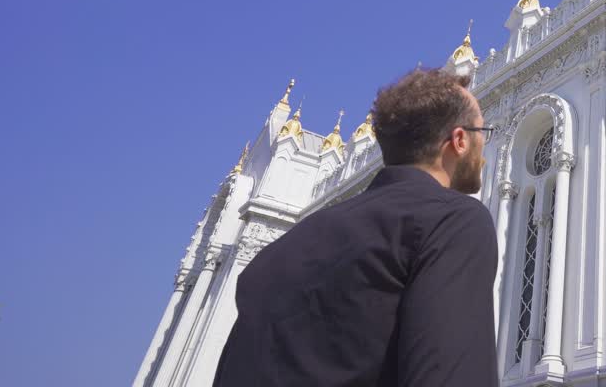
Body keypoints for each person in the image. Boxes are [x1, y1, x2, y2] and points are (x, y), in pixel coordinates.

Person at [213, 68, 499, 387]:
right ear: (459, 140)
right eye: (482, 131)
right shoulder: (451, 220)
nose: (485, 147)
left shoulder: (279, 251)